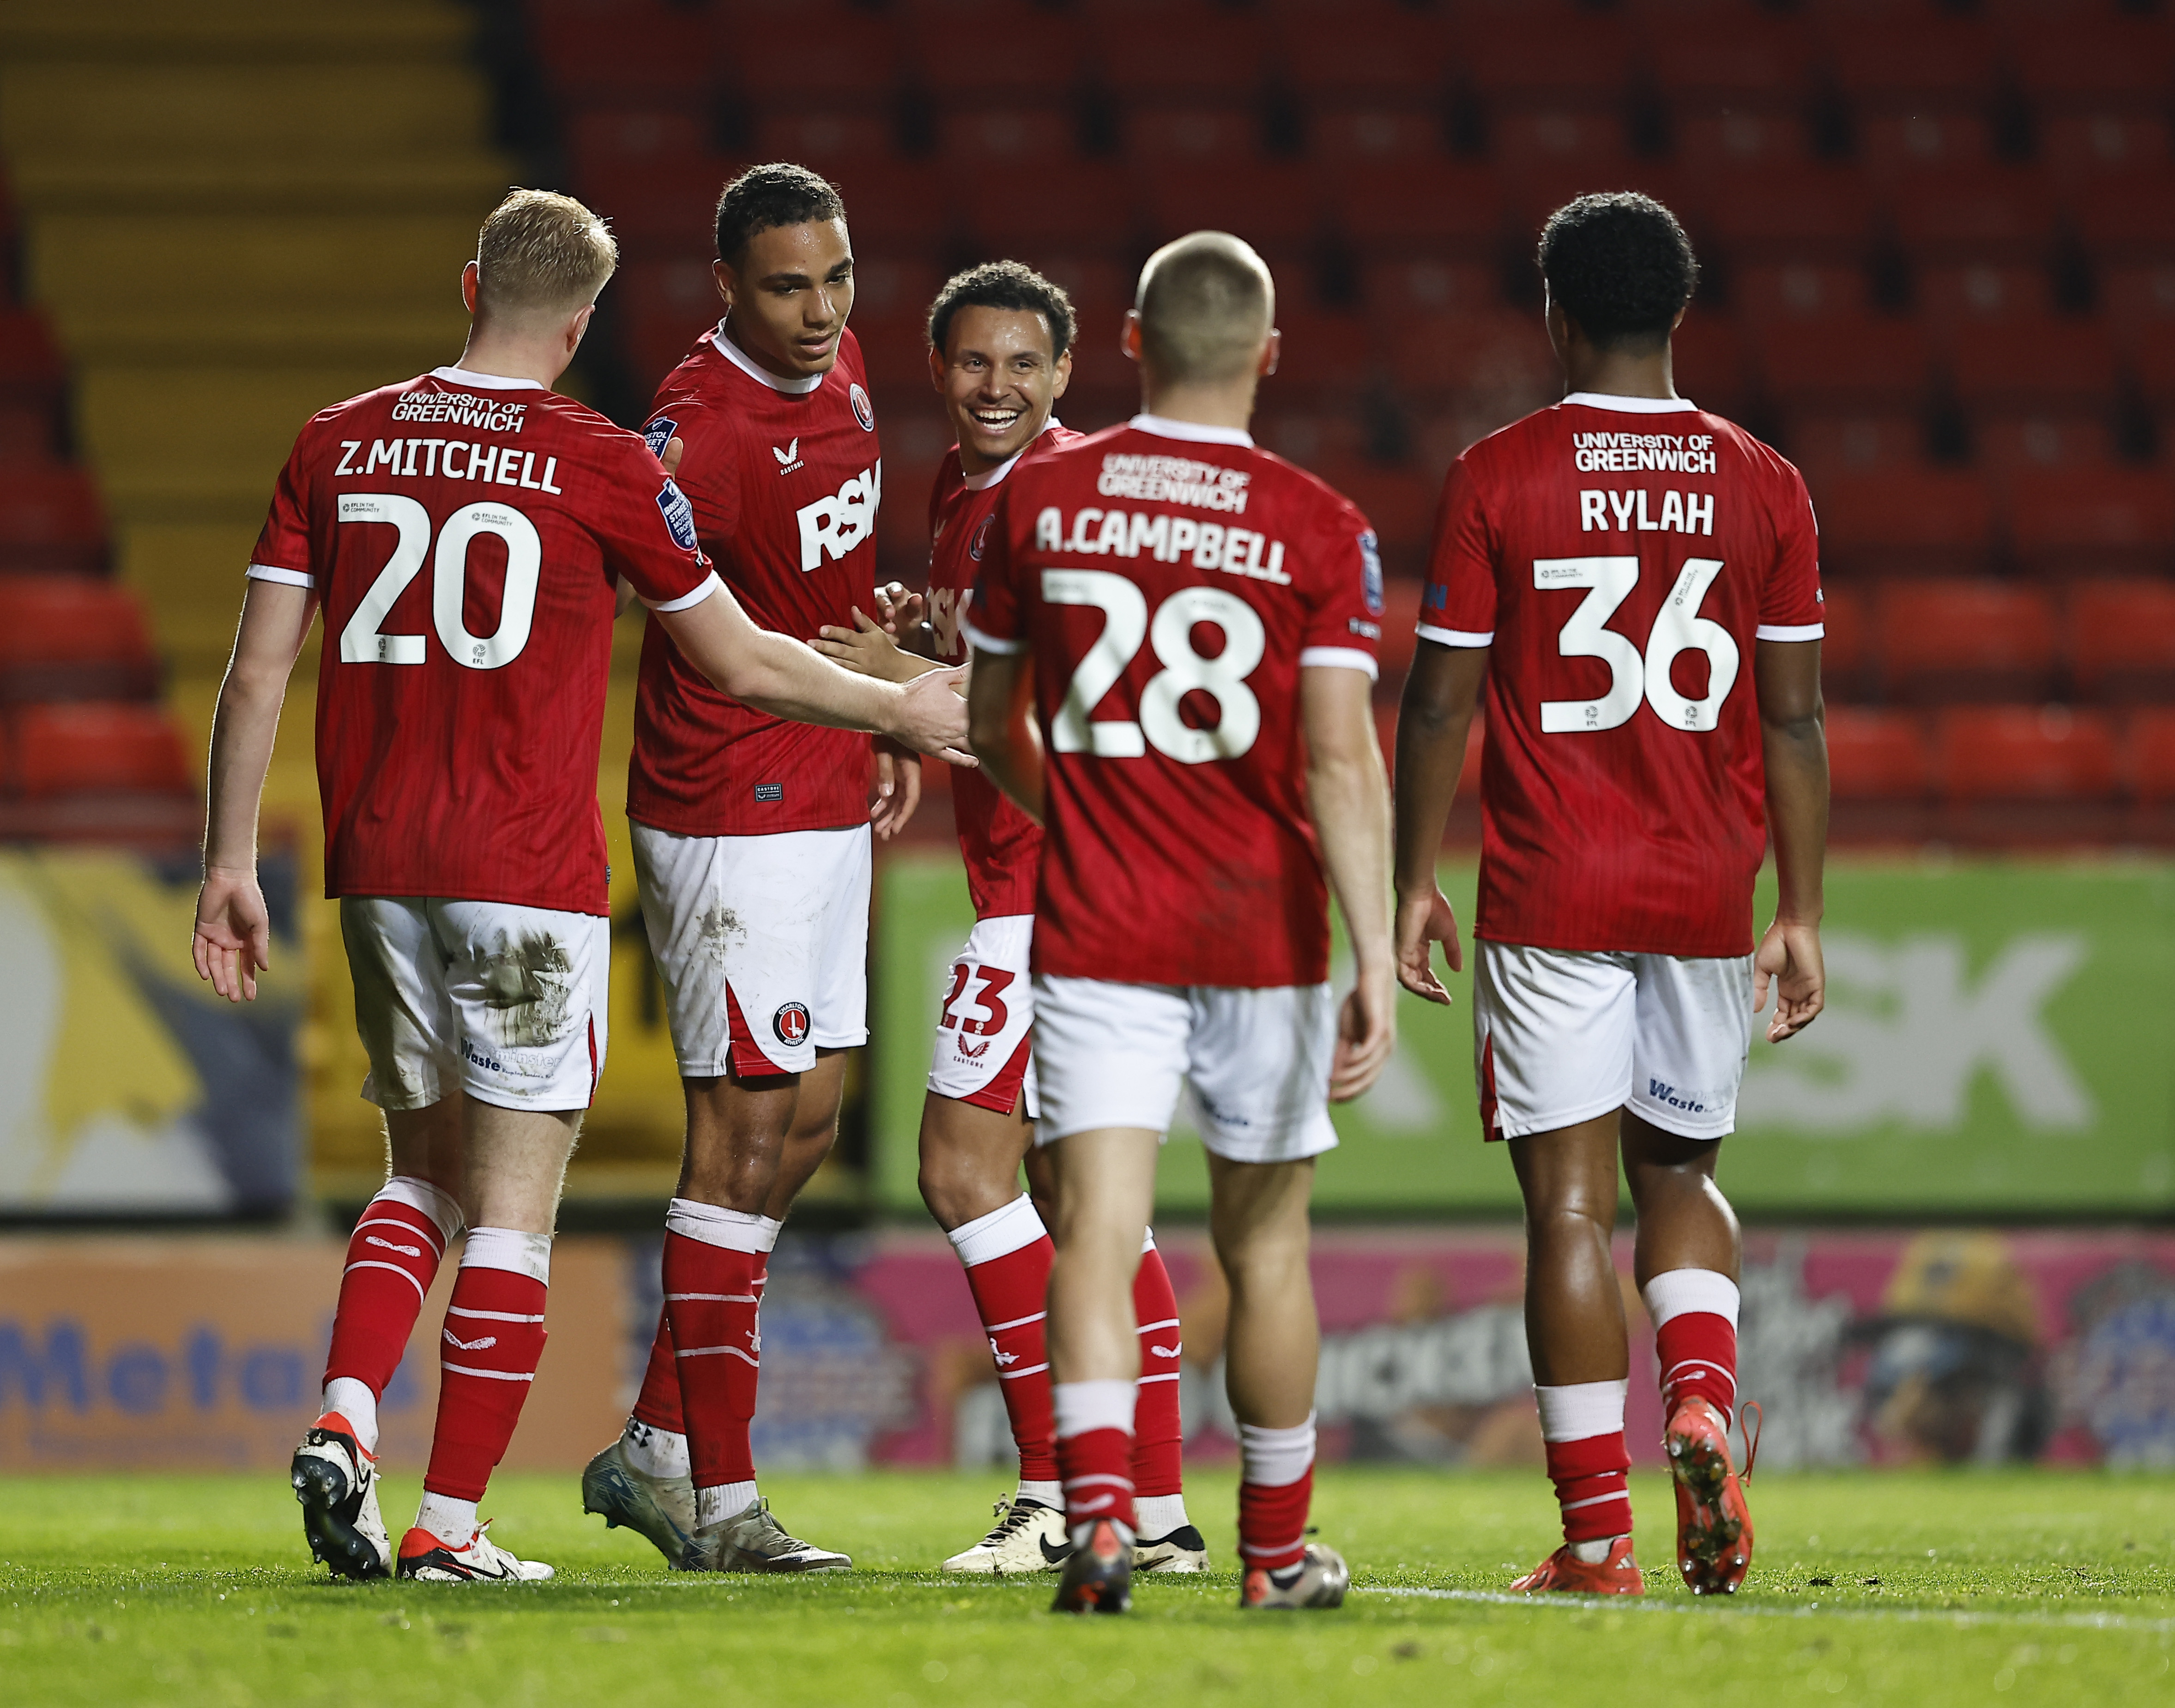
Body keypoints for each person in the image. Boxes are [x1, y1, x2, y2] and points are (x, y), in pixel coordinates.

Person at [192, 187, 970, 1586]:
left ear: (469, 282)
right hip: (526, 876)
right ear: (585, 318)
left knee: (417, 1171)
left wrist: (231, 861)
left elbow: (256, 671)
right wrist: (898, 708)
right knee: (515, 1208)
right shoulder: (607, 458)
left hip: (376, 867)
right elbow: (734, 660)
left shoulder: (337, 436)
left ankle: (346, 1412)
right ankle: (453, 1522)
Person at [1390, 192, 1828, 1597]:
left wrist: (1410, 876)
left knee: (1569, 1212)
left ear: (1554, 317)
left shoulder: (1499, 473)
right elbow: (1797, 718)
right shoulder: (1768, 480)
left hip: (1552, 883)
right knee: (1684, 1173)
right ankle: (1701, 1398)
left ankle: (1598, 1543)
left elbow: (1442, 698)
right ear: (1679, 315)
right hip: (1706, 884)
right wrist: (1801, 910)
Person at [967, 231, 1395, 1614]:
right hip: (1262, 931)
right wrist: (1377, 951)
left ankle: (1098, 1521)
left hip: (1099, 923)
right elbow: (1340, 758)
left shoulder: (1037, 500)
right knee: (1265, 1248)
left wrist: (1083, 814)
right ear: (1270, 354)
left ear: (1133, 343)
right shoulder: (1322, 527)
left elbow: (990, 725)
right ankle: (1274, 1554)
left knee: (1096, 1226)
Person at [807, 260, 1203, 1575]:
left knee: (961, 1169)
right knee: (1084, 1195)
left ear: (1063, 375)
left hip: (1056, 886)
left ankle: (1052, 1492)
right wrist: (932, 638)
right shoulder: (968, 491)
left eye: (1022, 365)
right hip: (1051, 882)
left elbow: (1072, 707)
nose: (997, 387)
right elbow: (993, 663)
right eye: (975, 364)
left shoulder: (1056, 490)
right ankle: (1154, 1511)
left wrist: (900, 680)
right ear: (940, 370)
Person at [579, 163, 912, 1574]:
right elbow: (615, 581)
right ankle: (721, 1495)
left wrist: (882, 685)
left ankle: (655, 1441)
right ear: (726, 286)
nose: (822, 309)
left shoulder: (844, 379)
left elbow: (835, 573)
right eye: (788, 284)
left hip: (829, 787)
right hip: (729, 803)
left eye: (837, 277)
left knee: (814, 1127)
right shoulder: (693, 431)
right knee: (740, 1141)